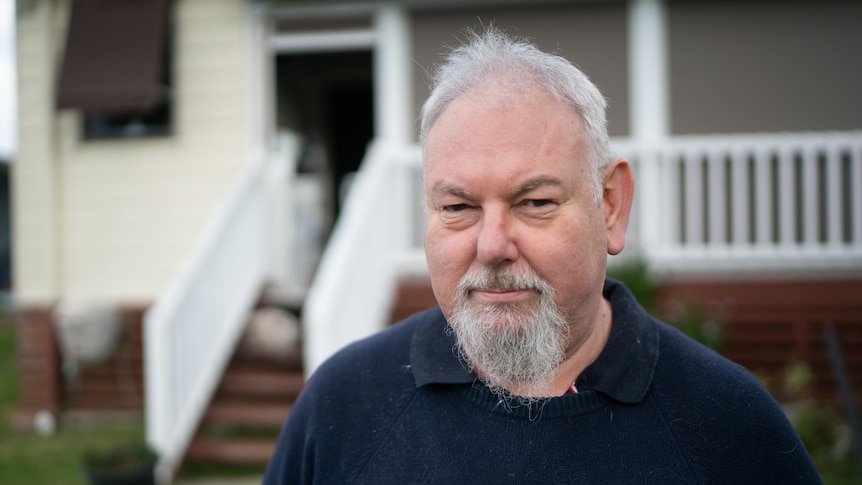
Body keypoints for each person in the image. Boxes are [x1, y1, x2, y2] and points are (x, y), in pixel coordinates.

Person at [263, 28, 821, 484]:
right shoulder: (343, 407)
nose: (491, 245)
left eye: (533, 202)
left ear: (609, 205)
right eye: (458, 206)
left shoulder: (728, 424)